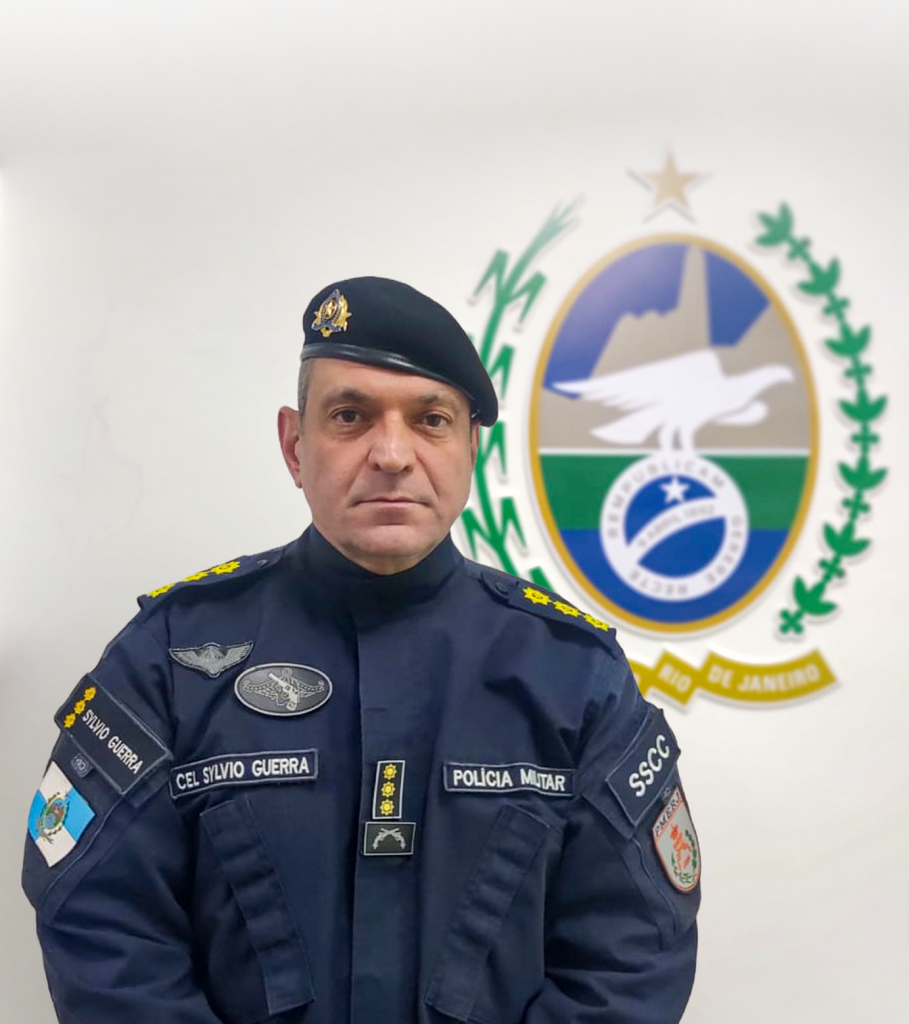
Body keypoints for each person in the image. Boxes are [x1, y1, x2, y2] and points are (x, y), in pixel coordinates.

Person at [22, 277, 700, 1024]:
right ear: (294, 445)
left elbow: (631, 956)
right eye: (350, 416)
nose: (392, 454)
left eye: (431, 420)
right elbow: (102, 931)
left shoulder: (572, 672)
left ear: (470, 449)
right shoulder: (170, 657)